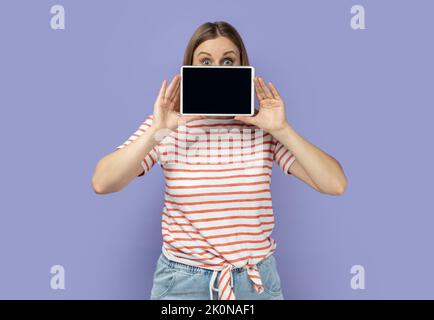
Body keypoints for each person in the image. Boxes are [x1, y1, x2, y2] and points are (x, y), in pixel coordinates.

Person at [91, 21, 347, 300]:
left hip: (254, 282)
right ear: (189, 69)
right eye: (205, 62)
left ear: (241, 68)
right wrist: (156, 130)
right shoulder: (168, 127)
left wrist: (282, 129)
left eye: (227, 61)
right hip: (181, 284)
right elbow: (103, 183)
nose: (216, 70)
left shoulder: (262, 128)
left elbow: (334, 184)